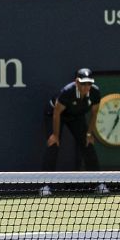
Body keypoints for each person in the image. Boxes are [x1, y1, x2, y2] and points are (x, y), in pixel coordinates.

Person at [40, 68, 107, 197]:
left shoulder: (95, 93)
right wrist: (55, 135)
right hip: (55, 114)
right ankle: (45, 185)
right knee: (53, 145)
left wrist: (89, 133)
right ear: (77, 82)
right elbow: (57, 113)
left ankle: (98, 184)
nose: (86, 87)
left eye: (89, 84)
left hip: (76, 116)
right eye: (83, 83)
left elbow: (94, 113)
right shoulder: (67, 92)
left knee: (88, 144)